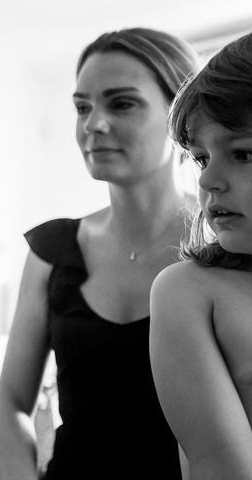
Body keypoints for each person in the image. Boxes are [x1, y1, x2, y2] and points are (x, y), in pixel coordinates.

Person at [0, 28, 198, 480]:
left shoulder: (224, 245)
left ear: (180, 114)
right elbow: (9, 403)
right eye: (82, 107)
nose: (92, 125)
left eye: (121, 103)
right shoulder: (52, 250)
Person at [150, 31, 252, 480]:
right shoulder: (189, 290)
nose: (208, 179)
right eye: (200, 157)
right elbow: (220, 466)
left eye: (243, 152)